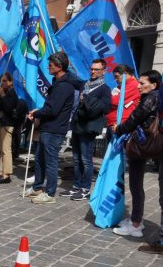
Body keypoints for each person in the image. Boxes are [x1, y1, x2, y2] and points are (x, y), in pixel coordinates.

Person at [112, 71, 162, 249]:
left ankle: (135, 225)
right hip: (145, 145)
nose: (139, 86)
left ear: (154, 85)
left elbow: (134, 119)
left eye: (142, 83)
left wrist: (118, 128)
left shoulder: (150, 98)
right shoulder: (155, 97)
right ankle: (136, 219)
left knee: (135, 183)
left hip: (141, 145)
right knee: (136, 183)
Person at [27, 52, 84, 204]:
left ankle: (50, 193)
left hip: (55, 129)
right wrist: (38, 111)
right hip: (48, 127)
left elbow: (52, 110)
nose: (48, 67)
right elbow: (50, 106)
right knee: (39, 159)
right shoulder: (57, 83)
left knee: (50, 162)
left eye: (51, 65)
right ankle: (37, 187)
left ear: (59, 67)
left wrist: (37, 113)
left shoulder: (64, 86)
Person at [63, 59, 111, 201]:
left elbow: (106, 108)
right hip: (78, 124)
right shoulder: (85, 84)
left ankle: (85, 189)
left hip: (89, 127)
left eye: (97, 69)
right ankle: (76, 186)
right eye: (92, 69)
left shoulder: (104, 88)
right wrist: (65, 64)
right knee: (76, 158)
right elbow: (72, 78)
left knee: (86, 159)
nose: (93, 71)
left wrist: (88, 101)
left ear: (103, 71)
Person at [0, 72, 18, 184]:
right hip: (0, 123)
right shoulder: (1, 92)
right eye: (1, 81)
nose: (2, 83)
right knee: (1, 149)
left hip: (7, 124)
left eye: (5, 81)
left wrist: (2, 95)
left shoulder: (12, 93)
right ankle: (1, 171)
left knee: (6, 149)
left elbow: (9, 108)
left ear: (10, 82)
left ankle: (7, 174)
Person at [106, 65, 140, 142]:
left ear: (125, 74)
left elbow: (114, 101)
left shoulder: (133, 84)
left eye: (117, 76)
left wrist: (109, 98)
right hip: (114, 122)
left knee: (117, 148)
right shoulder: (123, 85)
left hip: (121, 123)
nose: (115, 79)